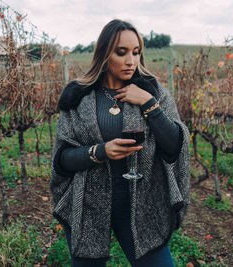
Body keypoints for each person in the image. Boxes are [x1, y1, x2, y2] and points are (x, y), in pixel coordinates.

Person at [50, 19, 190, 267]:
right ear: (104, 53)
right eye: (121, 52)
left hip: (142, 204)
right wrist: (100, 151)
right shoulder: (78, 96)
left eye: (136, 52)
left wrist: (149, 104)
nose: (131, 61)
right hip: (88, 205)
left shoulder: (152, 91)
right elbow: (62, 159)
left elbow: (174, 148)